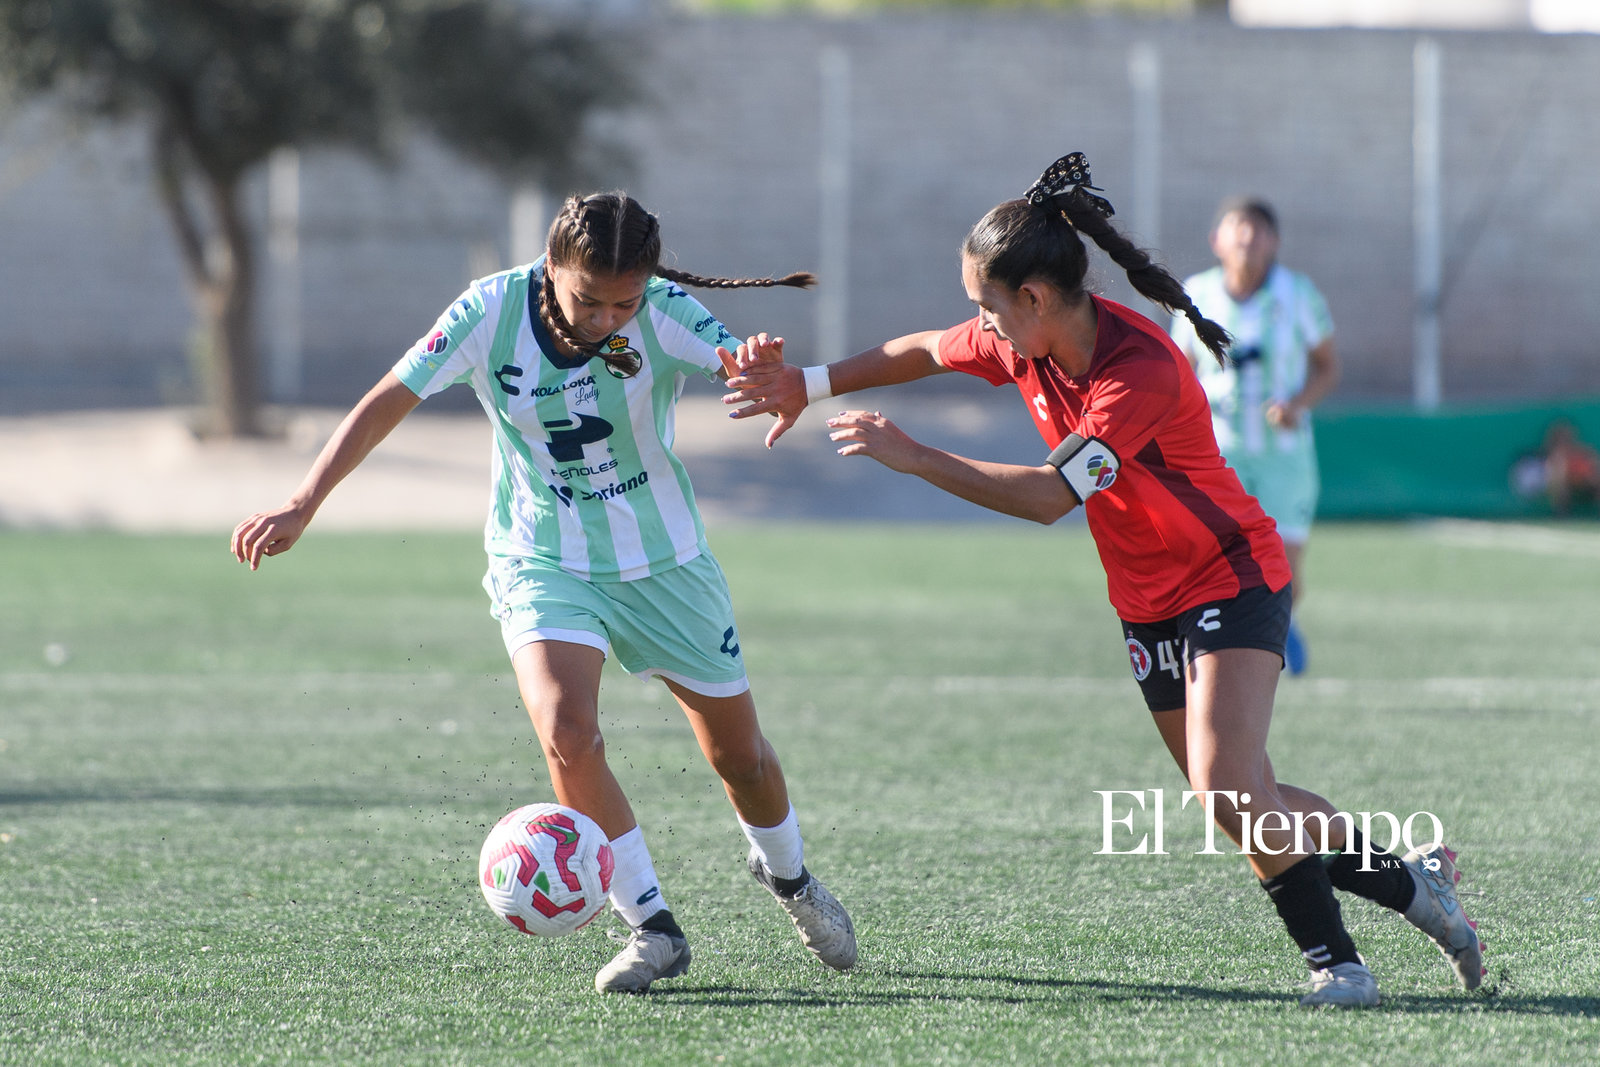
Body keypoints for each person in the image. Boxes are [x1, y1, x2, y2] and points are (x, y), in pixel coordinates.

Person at [724, 153, 1481, 1008]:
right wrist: (808, 383)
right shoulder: (1023, 339)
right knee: (1239, 793)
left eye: (989, 306)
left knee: (1229, 785)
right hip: (1146, 599)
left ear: (1036, 299)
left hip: (1229, 573)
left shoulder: (1139, 371)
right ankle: (1418, 889)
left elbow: (1052, 496)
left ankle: (1338, 965)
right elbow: (921, 349)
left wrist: (916, 456)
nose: (982, 323)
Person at [231, 192, 856, 994]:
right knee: (566, 729)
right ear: (551, 267)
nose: (606, 318)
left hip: (665, 563)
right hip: (542, 558)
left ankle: (790, 878)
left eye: (622, 302)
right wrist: (304, 500)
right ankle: (653, 926)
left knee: (739, 757)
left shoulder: (660, 310)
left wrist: (759, 370)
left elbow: (737, 364)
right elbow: (390, 396)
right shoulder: (488, 309)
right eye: (588, 299)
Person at [1168, 197, 1340, 676]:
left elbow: (1327, 367)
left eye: (1260, 228)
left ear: (1275, 242)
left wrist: (1298, 405)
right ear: (1216, 240)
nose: (1248, 237)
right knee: (1213, 558)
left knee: (1287, 566)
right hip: (1218, 453)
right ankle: (1218, 644)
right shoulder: (1196, 294)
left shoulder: (1298, 294)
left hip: (1285, 455)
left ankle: (1284, 625)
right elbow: (1178, 374)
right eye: (1238, 227)